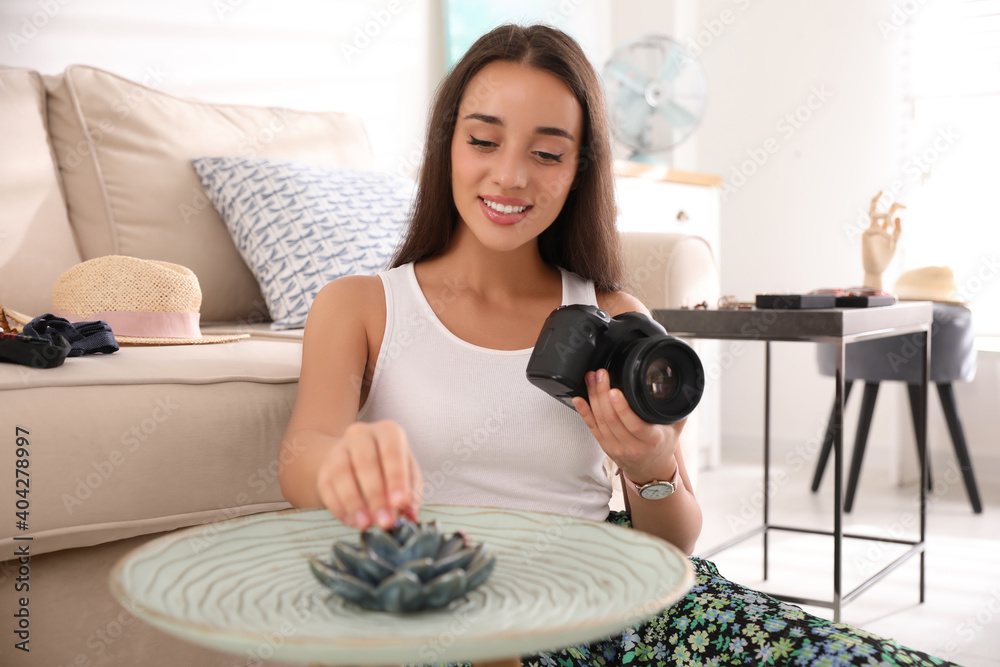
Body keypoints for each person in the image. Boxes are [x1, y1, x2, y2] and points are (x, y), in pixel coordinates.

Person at [279, 23, 957, 667]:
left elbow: (673, 540)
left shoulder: (613, 317)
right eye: (484, 141)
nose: (512, 176)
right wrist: (342, 466)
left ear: (579, 169)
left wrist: (650, 463)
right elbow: (302, 452)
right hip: (455, 614)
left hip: (621, 602)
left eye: (546, 153)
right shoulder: (362, 304)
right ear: (447, 145)